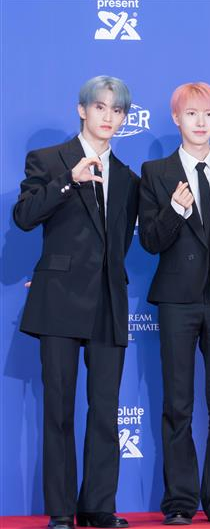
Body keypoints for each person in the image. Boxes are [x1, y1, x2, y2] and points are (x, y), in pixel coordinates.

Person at [13, 75, 139, 529]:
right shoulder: (49, 160)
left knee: (106, 410)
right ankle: (62, 511)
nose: (110, 118)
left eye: (118, 111)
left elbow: (120, 241)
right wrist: (68, 181)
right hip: (59, 301)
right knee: (59, 409)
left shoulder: (127, 177)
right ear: (82, 110)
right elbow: (25, 216)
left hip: (108, 302)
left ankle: (99, 507)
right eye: (101, 108)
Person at [138, 82, 210, 525]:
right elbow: (150, 241)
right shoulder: (155, 172)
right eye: (191, 114)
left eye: (207, 114)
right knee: (178, 404)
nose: (200, 122)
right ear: (176, 119)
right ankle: (181, 503)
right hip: (176, 300)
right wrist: (174, 211)